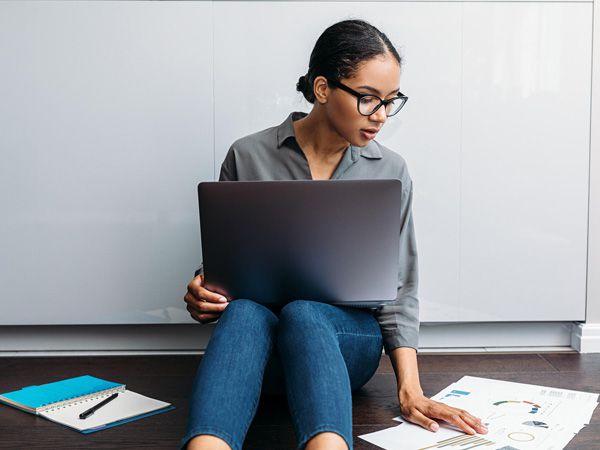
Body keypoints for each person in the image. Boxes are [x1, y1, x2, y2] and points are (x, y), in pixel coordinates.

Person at [181, 19, 488, 450]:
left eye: (390, 101)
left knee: (306, 311)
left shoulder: (391, 170)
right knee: (245, 312)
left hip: (346, 349)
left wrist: (410, 390)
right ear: (323, 89)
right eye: (367, 99)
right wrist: (205, 291)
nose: (380, 115)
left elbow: (400, 288)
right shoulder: (246, 155)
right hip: (257, 353)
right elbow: (225, 263)